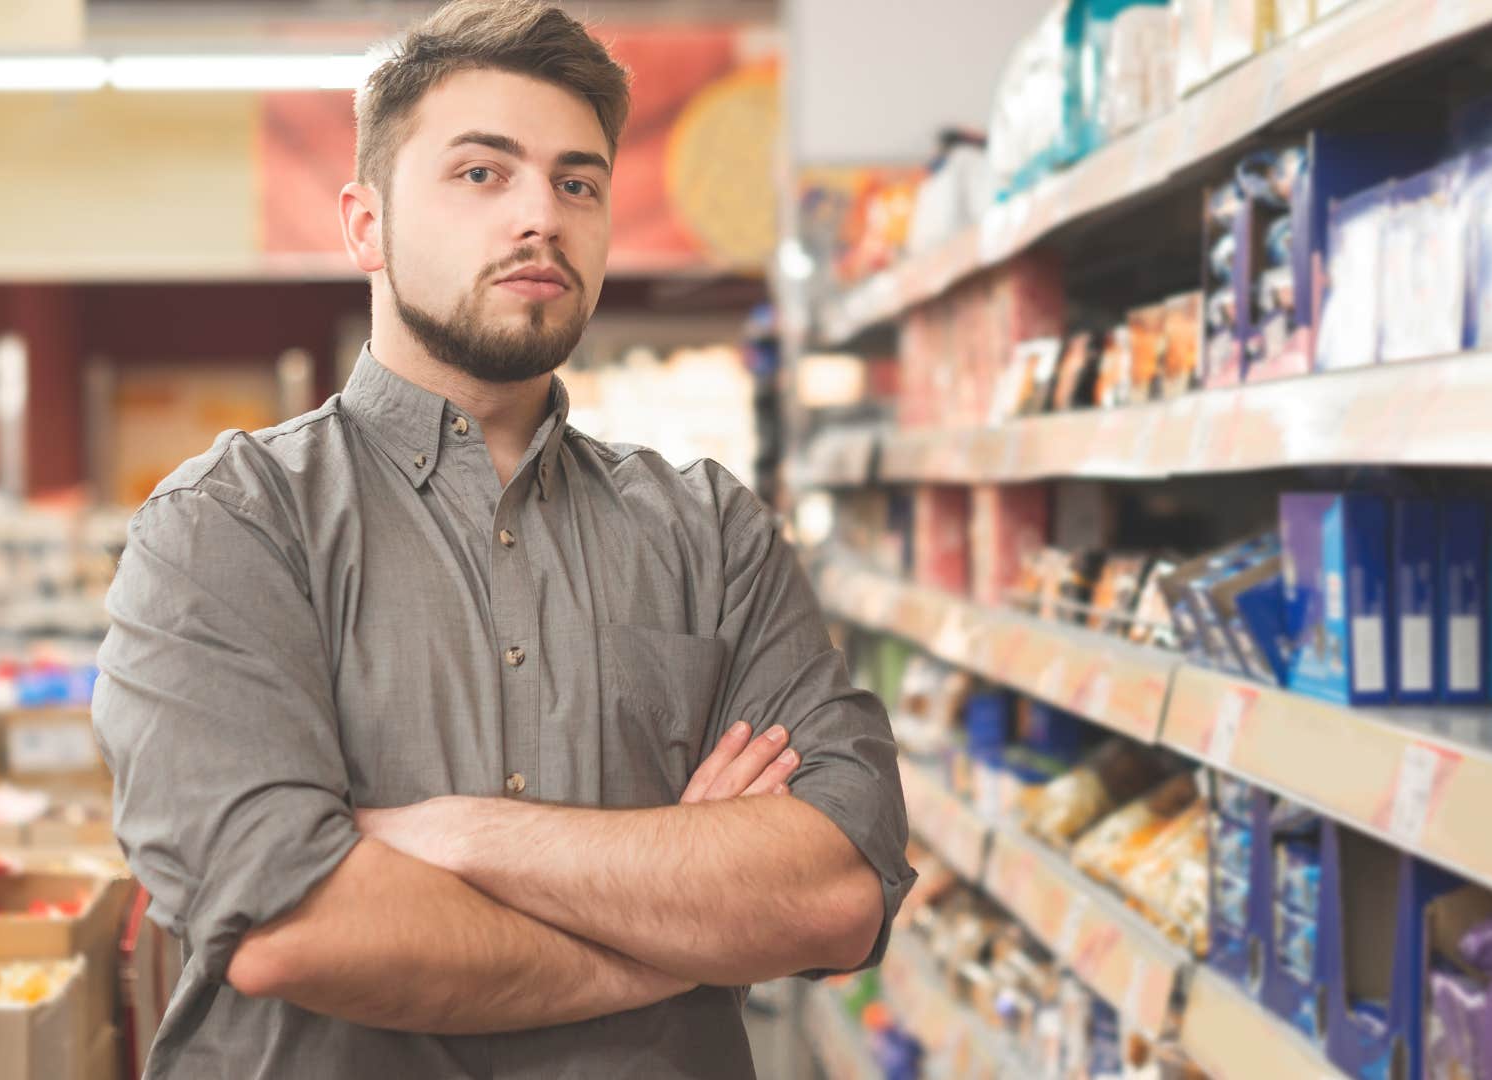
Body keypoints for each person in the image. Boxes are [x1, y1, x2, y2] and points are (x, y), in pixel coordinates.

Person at [90, 2, 914, 1076]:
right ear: (365, 224)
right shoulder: (229, 526)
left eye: (578, 182)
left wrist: (459, 836)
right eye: (483, 174)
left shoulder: (713, 534)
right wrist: (677, 929)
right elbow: (294, 926)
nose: (542, 216)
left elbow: (837, 892)